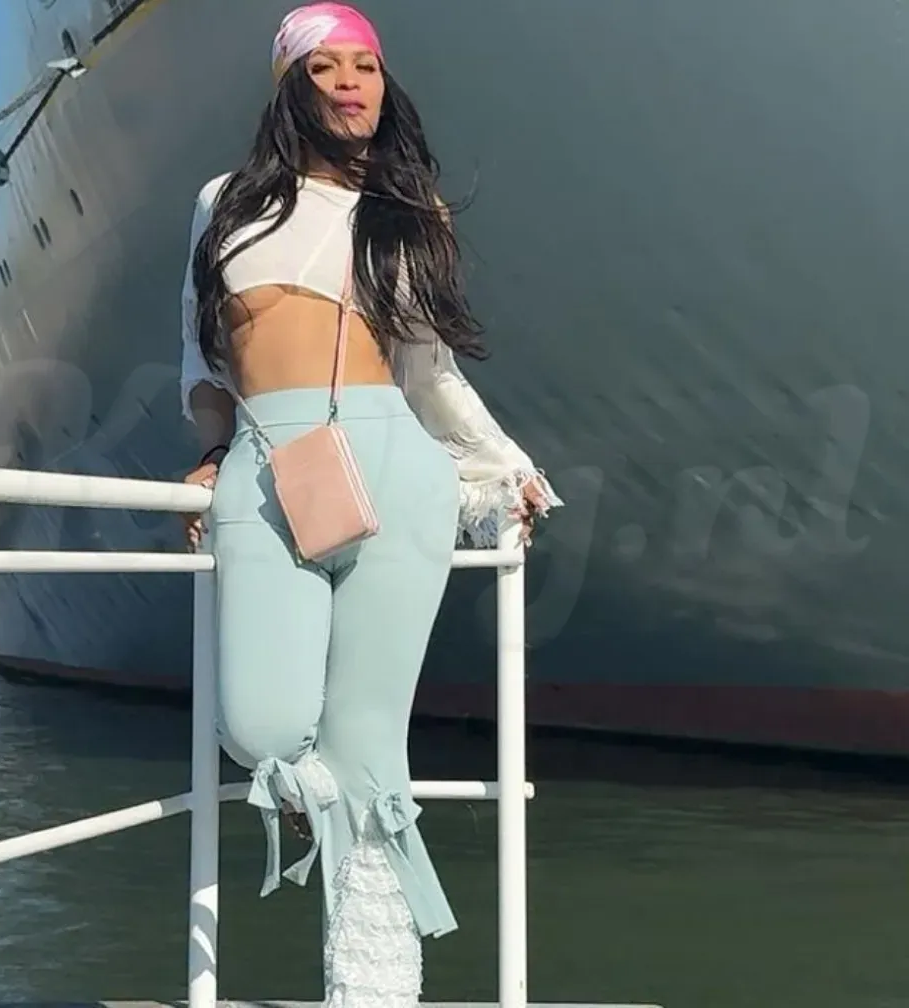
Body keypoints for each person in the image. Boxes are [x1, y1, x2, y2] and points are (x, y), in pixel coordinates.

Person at [178, 4, 563, 1004]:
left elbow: (429, 372)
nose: (351, 83)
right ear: (288, 87)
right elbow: (203, 356)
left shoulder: (407, 209)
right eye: (325, 68)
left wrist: (499, 467)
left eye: (366, 67)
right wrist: (212, 454)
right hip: (269, 461)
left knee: (368, 748)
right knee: (261, 729)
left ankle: (374, 989)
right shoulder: (224, 204)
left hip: (396, 464)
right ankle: (322, 814)